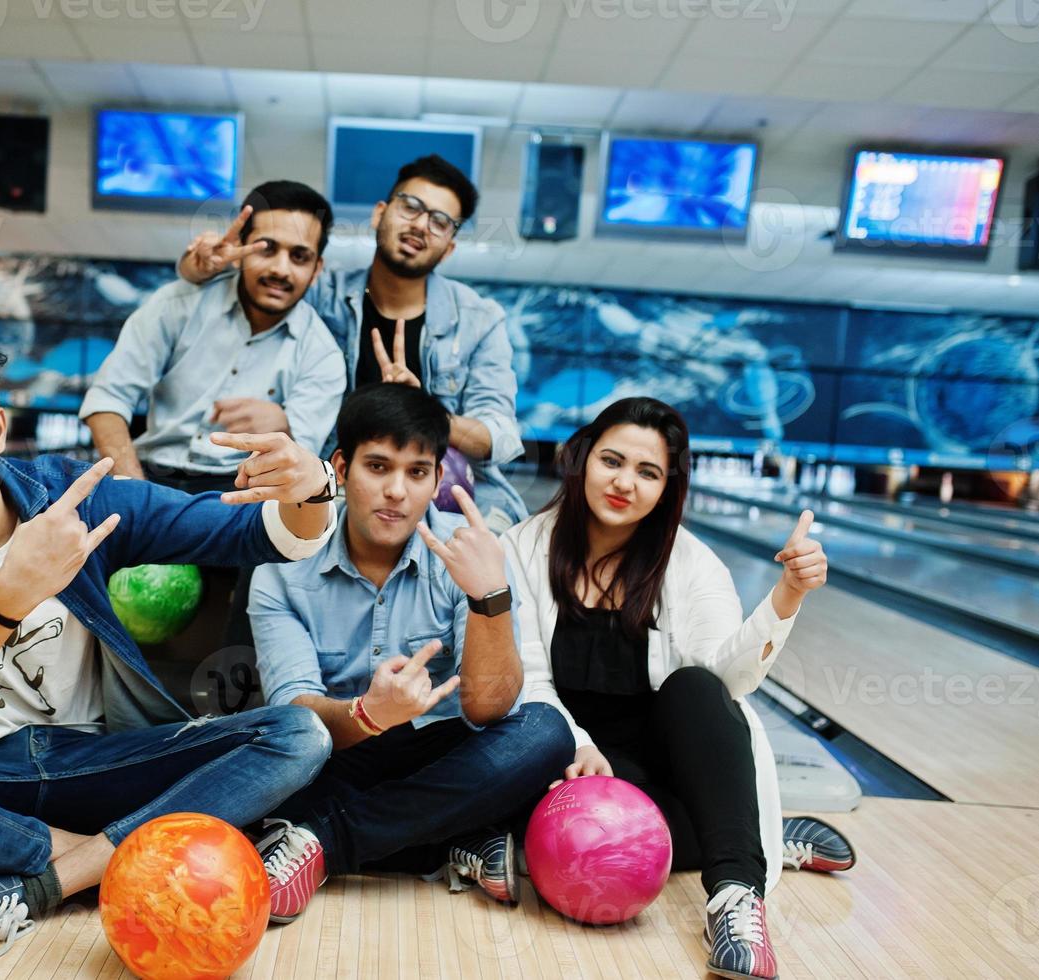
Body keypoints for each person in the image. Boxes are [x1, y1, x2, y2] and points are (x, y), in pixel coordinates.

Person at [0, 322, 341, 964]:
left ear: (0, 427)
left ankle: (41, 881)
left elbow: (254, 534)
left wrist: (313, 489)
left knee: (297, 735)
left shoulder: (72, 497)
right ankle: (118, 856)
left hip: (103, 759)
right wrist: (8, 596)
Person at [501, 396, 855, 980]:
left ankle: (737, 895)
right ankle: (756, 835)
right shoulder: (523, 548)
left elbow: (728, 683)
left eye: (648, 472)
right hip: (565, 768)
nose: (624, 483)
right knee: (534, 809)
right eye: (611, 461)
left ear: (668, 486)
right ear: (582, 458)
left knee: (695, 686)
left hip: (663, 773)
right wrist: (576, 743)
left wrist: (786, 596)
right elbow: (527, 677)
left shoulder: (692, 564)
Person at [248, 383, 574, 924]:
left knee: (544, 732)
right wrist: (369, 713)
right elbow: (294, 714)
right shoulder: (281, 570)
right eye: (378, 467)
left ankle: (324, 841)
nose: (396, 491)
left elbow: (488, 712)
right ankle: (457, 838)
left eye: (417, 473)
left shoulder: (471, 554)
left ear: (438, 480)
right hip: (339, 752)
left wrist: (488, 598)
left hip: (443, 754)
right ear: (341, 467)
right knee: (259, 784)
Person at [178, 154, 529, 530]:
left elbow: (501, 435)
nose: (420, 226)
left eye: (440, 221)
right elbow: (246, 289)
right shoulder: (318, 290)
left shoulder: (479, 320)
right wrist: (195, 268)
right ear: (379, 213)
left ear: (450, 246)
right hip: (332, 481)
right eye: (410, 207)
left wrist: (430, 411)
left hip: (438, 493)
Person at [82, 179, 346, 494]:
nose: (281, 269)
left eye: (299, 257)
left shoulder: (322, 355)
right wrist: (133, 494)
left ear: (317, 269)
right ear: (240, 251)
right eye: (266, 249)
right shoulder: (177, 305)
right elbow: (107, 400)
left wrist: (285, 428)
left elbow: (300, 470)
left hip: (244, 496)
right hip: (148, 478)